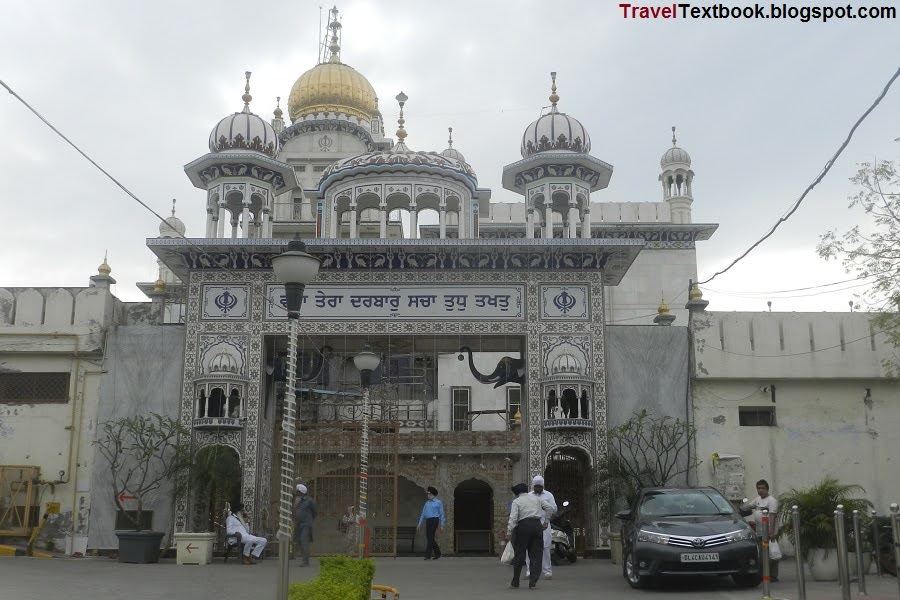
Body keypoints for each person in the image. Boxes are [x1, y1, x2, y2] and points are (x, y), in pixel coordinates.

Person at [506, 483, 554, 590]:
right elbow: (549, 508)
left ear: (517, 493)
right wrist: (546, 522)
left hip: (523, 527)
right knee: (536, 555)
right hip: (537, 526)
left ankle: (515, 582)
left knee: (520, 555)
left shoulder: (517, 501)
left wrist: (509, 532)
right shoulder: (537, 499)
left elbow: (513, 518)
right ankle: (533, 582)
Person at [527, 475, 557, 581]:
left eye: (540, 487)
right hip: (531, 525)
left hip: (545, 525)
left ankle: (547, 572)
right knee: (530, 548)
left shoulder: (549, 495)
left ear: (543, 486)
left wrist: (545, 507)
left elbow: (554, 509)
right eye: (536, 487)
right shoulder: (528, 495)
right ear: (533, 486)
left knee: (545, 548)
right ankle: (529, 571)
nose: (538, 489)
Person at [750, 479, 779, 582]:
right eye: (758, 488)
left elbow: (772, 517)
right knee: (762, 555)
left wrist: (771, 533)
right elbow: (749, 506)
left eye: (762, 488)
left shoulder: (771, 501)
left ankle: (773, 576)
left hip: (769, 532)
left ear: (767, 489)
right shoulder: (758, 499)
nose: (760, 490)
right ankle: (765, 574)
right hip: (760, 532)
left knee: (772, 555)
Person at [417, 486, 445, 560]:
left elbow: (442, 513)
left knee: (430, 537)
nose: (428, 495)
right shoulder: (426, 503)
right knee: (429, 537)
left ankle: (427, 555)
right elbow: (423, 514)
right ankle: (438, 553)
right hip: (428, 520)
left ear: (433, 494)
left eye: (430, 494)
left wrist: (442, 525)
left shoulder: (438, 502)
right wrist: (419, 524)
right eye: (428, 494)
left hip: (435, 520)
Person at [293, 483, 318, 566]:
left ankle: (305, 561)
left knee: (304, 542)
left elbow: (315, 512)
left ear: (301, 492)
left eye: (298, 491)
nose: (296, 493)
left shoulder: (309, 500)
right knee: (299, 541)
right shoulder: (297, 500)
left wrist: (308, 520)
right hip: (298, 524)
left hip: (306, 524)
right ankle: (303, 558)